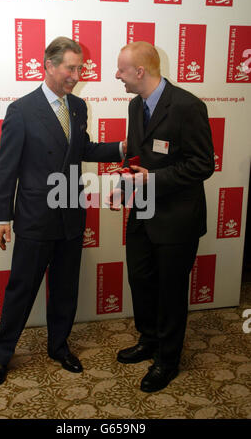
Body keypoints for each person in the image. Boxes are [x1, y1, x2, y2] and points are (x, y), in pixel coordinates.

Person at [0, 36, 126, 385]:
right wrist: (2, 217)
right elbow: (7, 169)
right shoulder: (21, 110)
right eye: (70, 67)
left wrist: (122, 147)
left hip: (70, 214)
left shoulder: (78, 107)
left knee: (65, 288)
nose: (76, 74)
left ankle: (59, 346)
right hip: (35, 217)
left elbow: (82, 149)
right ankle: (2, 354)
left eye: (80, 68)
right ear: (48, 65)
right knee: (21, 289)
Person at [108, 41, 215, 393]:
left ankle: (167, 360)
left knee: (170, 292)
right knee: (140, 280)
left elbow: (202, 165)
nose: (117, 75)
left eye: (122, 69)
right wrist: (124, 184)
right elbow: (137, 157)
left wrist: (151, 180)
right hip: (142, 211)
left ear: (140, 72)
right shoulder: (135, 105)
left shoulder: (188, 106)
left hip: (176, 219)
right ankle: (149, 339)